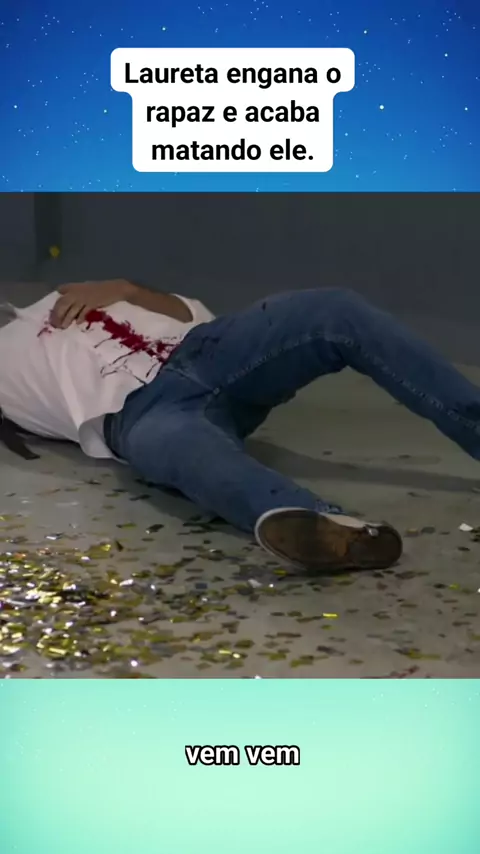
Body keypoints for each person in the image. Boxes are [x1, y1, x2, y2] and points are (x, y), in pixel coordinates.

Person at [1, 280, 478, 574]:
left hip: (207, 347)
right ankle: (331, 529)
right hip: (138, 414)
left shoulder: (66, 292)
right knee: (184, 452)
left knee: (334, 310)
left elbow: (188, 311)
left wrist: (127, 289)